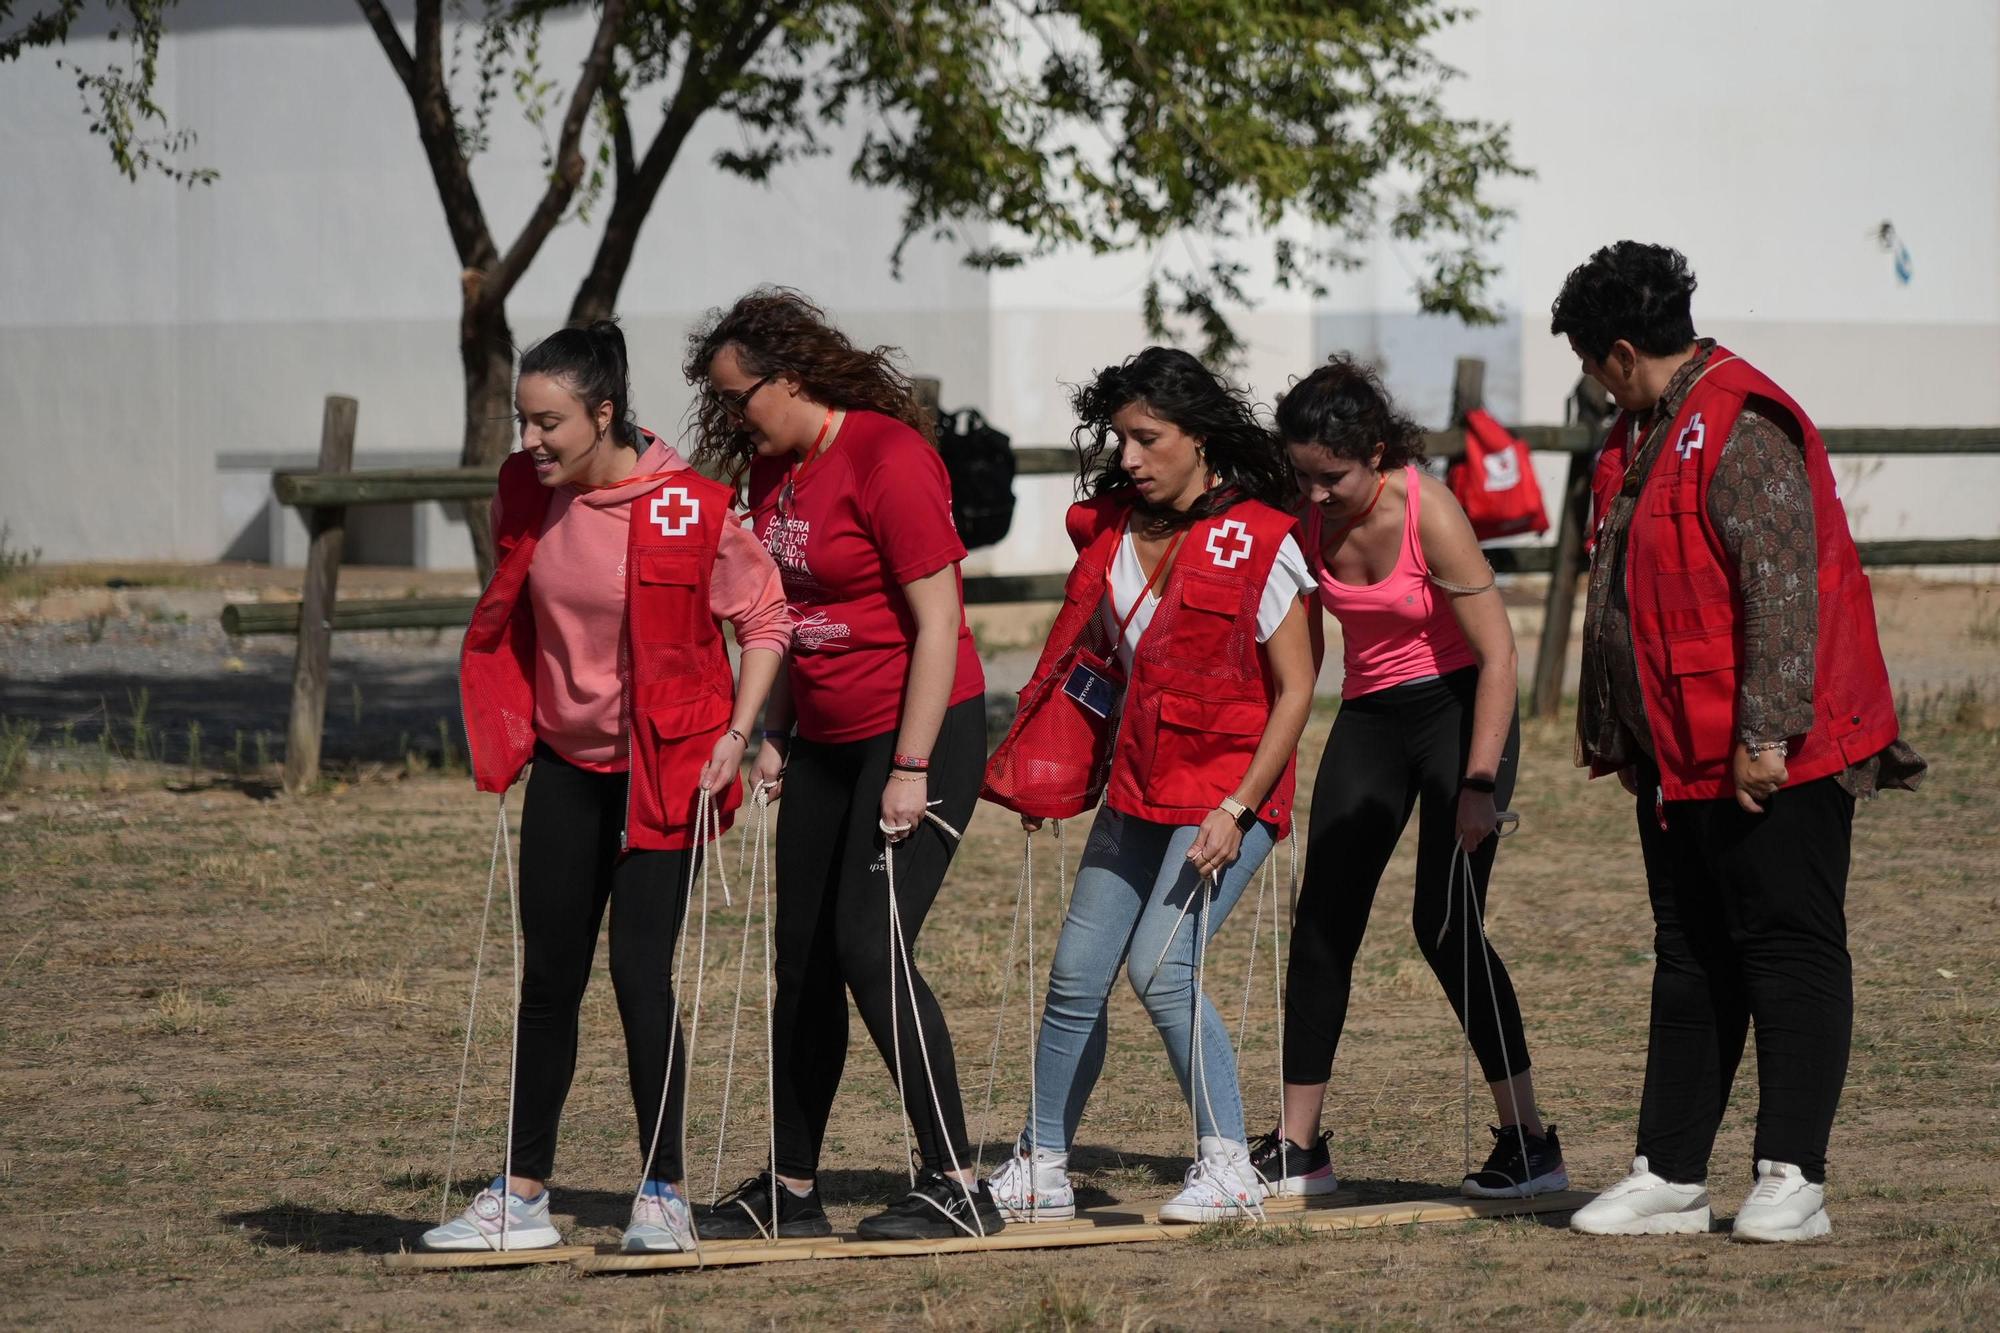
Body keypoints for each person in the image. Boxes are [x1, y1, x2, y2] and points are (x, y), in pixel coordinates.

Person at [1552, 242, 1923, 1242]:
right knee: (1689, 955)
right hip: (1677, 755)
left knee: (1787, 953)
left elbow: (1780, 592)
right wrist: (1618, 732)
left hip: (1774, 752)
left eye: (1590, 361)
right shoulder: (1635, 433)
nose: (1590, 381)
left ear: (1620, 352)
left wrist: (1764, 732)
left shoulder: (1741, 421)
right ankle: (1669, 1174)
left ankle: (1791, 1175)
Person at [428, 321, 790, 1254]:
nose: (531, 441)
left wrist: (739, 735)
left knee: (639, 974)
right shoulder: (527, 494)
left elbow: (765, 618)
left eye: (549, 422)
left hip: (664, 774)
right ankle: (520, 1194)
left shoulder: (693, 506)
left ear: (603, 413)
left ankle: (662, 1192)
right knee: (548, 979)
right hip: (565, 767)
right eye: (523, 421)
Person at [683, 288, 1002, 1241]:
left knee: (871, 944)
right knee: (804, 962)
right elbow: (780, 614)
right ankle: (791, 1188)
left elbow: (938, 621)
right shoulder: (773, 471)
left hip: (919, 733)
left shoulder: (885, 457)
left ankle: (955, 1179)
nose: (733, 416)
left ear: (791, 378)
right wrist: (774, 725)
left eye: (741, 397)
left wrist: (909, 766)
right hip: (823, 741)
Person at [982, 347, 1317, 1224]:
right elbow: (1085, 666)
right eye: (1119, 437)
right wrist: (1043, 772)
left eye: (1147, 437)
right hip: (1138, 787)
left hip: (1227, 795)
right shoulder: (1106, 532)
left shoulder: (1261, 539)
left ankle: (1228, 1164)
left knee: (1162, 968)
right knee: (1074, 975)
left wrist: (1238, 807)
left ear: (1197, 438)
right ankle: (1041, 1162)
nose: (1127, 457)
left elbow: (1297, 690)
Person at [1258, 355, 1569, 1202]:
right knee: (1323, 920)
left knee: (1445, 923)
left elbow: (1501, 652)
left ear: (1379, 452)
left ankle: (1529, 1139)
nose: (1316, 495)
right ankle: (1297, 1146)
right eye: (1304, 477)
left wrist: (1478, 782)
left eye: (1333, 477)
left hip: (1461, 710)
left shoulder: (1429, 510)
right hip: (1371, 715)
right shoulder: (1306, 514)